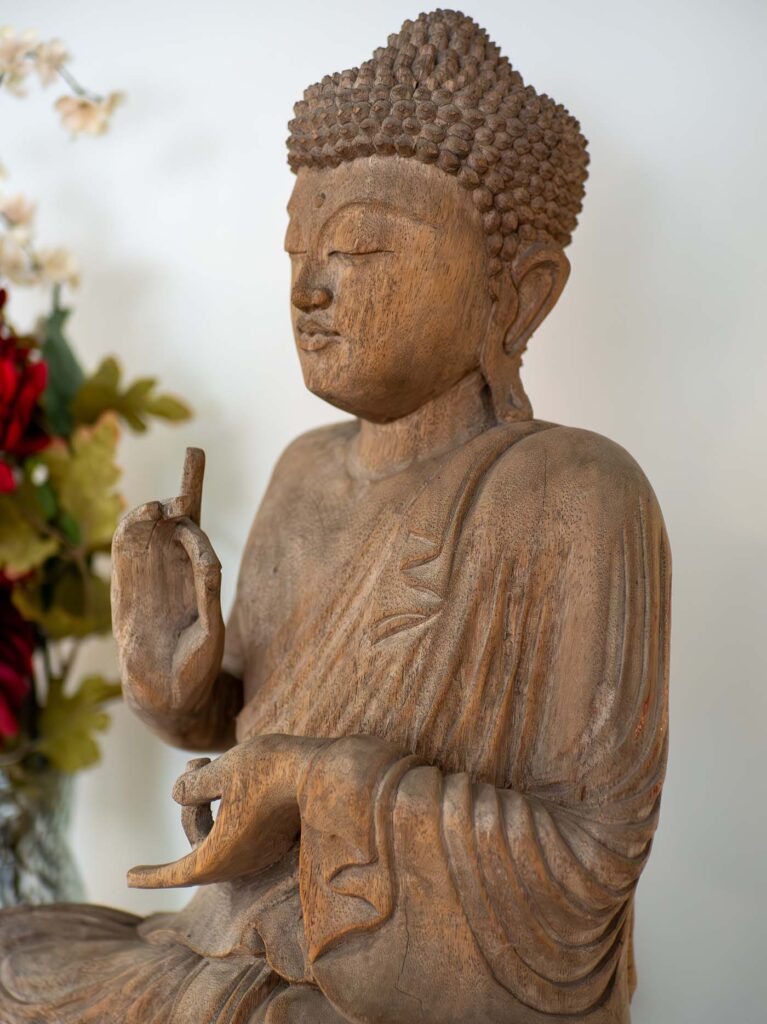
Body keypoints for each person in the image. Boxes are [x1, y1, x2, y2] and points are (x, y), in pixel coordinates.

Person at [0, 11, 670, 1023]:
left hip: (395, 983)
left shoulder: (575, 492)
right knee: (16, 949)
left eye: (358, 247)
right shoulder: (304, 472)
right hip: (225, 941)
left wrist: (312, 785)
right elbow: (247, 725)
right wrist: (176, 680)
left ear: (519, 294)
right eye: (296, 251)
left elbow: (589, 861)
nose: (309, 290)